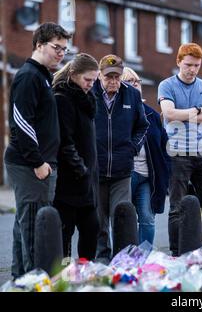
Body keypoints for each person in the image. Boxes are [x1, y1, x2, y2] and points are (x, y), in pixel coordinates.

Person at [4, 22, 71, 278]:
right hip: (29, 164)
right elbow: (21, 122)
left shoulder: (43, 75)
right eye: (57, 47)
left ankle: (21, 280)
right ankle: (33, 281)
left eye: (64, 49)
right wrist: (38, 162)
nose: (61, 53)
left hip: (37, 163)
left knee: (26, 226)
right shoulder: (29, 76)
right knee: (33, 225)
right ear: (40, 44)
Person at [158, 43, 202, 256]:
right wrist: (197, 110)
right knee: (176, 207)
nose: (192, 70)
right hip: (177, 153)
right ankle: (176, 251)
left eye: (197, 65)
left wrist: (185, 113)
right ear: (178, 62)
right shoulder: (166, 86)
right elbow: (169, 114)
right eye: (188, 65)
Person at [91, 55, 148, 262]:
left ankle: (122, 258)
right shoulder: (89, 93)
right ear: (99, 75)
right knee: (99, 219)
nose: (113, 81)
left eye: (117, 76)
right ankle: (102, 258)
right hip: (96, 170)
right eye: (109, 77)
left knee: (121, 215)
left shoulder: (131, 95)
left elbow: (142, 126)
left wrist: (132, 148)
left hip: (122, 170)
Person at [52, 53, 100, 260]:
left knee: (92, 228)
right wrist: (80, 168)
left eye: (94, 80)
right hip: (70, 180)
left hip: (86, 181)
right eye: (87, 80)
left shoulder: (85, 99)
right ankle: (62, 273)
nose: (90, 85)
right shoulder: (62, 99)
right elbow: (65, 140)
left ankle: (84, 270)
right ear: (73, 74)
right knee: (65, 232)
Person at [121, 67, 170, 246]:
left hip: (148, 176)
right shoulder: (119, 112)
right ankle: (123, 257)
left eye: (137, 82)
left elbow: (164, 146)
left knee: (148, 219)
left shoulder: (152, 114)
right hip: (126, 173)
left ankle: (143, 259)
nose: (135, 85)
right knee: (124, 219)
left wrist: (166, 172)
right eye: (129, 82)